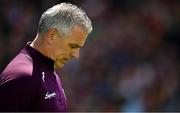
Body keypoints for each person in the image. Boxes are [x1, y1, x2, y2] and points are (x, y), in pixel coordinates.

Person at [0, 2, 92, 112]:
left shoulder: (48, 71)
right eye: (73, 46)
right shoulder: (22, 77)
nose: (76, 55)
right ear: (51, 36)